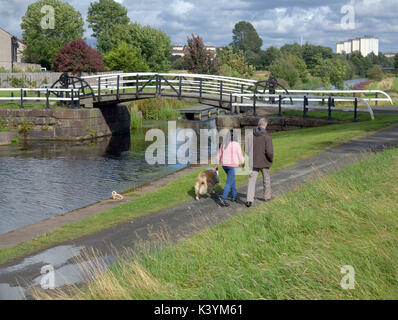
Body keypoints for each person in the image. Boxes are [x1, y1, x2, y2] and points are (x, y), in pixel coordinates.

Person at [245, 118, 273, 207]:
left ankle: (249, 200)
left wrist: (249, 157)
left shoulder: (250, 135)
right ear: (265, 125)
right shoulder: (266, 136)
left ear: (258, 124)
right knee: (266, 179)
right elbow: (269, 151)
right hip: (264, 161)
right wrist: (270, 159)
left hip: (253, 161)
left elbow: (246, 149)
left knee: (252, 180)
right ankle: (267, 197)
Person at [217, 129, 245, 207]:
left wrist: (216, 165)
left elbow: (219, 154)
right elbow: (241, 157)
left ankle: (234, 196)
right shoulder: (236, 144)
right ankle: (223, 199)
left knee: (232, 179)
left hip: (224, 165)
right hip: (232, 165)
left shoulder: (223, 143)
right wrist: (243, 165)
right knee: (229, 182)